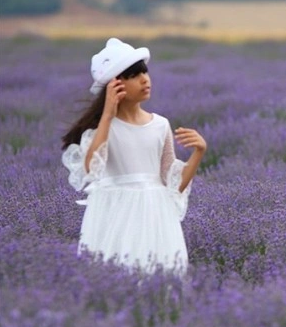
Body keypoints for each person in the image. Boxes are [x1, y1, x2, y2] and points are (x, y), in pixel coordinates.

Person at [61, 38, 206, 273]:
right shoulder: (103, 129)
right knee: (115, 275)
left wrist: (199, 152)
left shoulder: (160, 125)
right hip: (114, 213)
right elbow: (91, 170)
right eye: (134, 75)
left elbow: (173, 184)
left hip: (155, 213)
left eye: (145, 73)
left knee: (160, 277)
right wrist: (107, 115)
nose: (144, 80)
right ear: (115, 86)